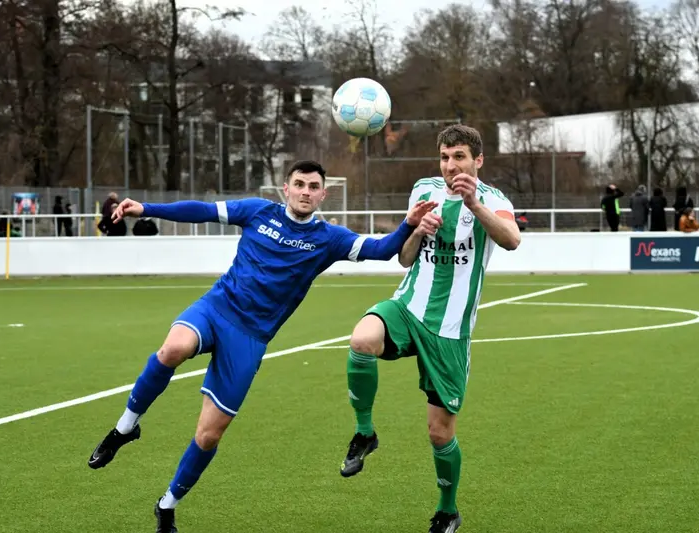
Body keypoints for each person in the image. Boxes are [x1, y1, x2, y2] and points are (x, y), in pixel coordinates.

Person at [86, 160, 438, 532]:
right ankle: (125, 429)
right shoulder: (257, 211)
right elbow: (202, 211)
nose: (305, 191)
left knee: (208, 435)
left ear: (323, 194)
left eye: (313, 186)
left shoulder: (329, 238)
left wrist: (409, 223)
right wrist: (147, 208)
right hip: (216, 308)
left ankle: (167, 504)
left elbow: (383, 250)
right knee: (173, 348)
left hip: (251, 337)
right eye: (299, 184)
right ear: (285, 188)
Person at [339, 125, 521, 533]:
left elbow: (511, 240)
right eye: (444, 157)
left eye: (458, 157)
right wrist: (415, 231)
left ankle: (447, 510)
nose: (450, 165)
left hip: (451, 329)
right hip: (409, 305)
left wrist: (473, 203)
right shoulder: (424, 190)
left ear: (478, 160)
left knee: (439, 434)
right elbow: (405, 260)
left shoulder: (494, 200)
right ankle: (364, 432)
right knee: (362, 338)